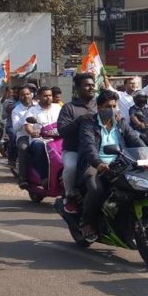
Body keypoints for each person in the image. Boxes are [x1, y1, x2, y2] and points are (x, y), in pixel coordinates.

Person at [77, 89, 145, 241]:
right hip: (94, 164)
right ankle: (86, 222)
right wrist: (98, 163)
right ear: (99, 108)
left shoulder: (120, 123)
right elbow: (89, 147)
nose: (112, 110)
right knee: (96, 189)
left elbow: (135, 140)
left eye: (114, 106)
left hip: (119, 162)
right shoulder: (88, 122)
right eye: (108, 106)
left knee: (137, 187)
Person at [57, 73, 97, 203]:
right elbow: (62, 131)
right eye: (87, 85)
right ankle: (70, 195)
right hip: (73, 150)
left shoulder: (100, 106)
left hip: (96, 151)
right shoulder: (69, 108)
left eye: (92, 85)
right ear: (78, 89)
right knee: (71, 167)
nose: (91, 88)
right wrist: (79, 120)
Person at [20, 87, 61, 188]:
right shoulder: (33, 110)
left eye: (50, 95)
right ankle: (44, 177)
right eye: (45, 96)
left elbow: (65, 121)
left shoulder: (58, 108)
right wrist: (32, 132)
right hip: (40, 140)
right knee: (39, 147)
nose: (48, 98)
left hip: (56, 139)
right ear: (38, 97)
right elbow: (27, 125)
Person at [11, 84, 38, 184]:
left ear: (31, 94)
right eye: (23, 94)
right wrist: (27, 113)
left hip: (40, 135)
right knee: (23, 148)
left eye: (28, 94)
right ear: (19, 97)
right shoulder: (16, 111)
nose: (26, 96)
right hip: (24, 137)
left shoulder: (38, 106)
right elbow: (16, 128)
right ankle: (22, 177)